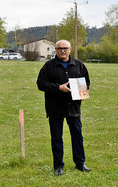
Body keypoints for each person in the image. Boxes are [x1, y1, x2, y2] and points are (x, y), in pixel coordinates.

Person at [37, 40, 91, 175]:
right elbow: (41, 84)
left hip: (73, 108)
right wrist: (58, 88)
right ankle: (58, 166)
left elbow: (86, 83)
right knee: (56, 138)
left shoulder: (78, 65)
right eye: (60, 48)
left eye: (65, 48)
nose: (63, 50)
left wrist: (80, 91)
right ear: (55, 49)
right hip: (55, 108)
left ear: (70, 49)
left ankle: (80, 163)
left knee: (77, 136)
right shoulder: (48, 66)